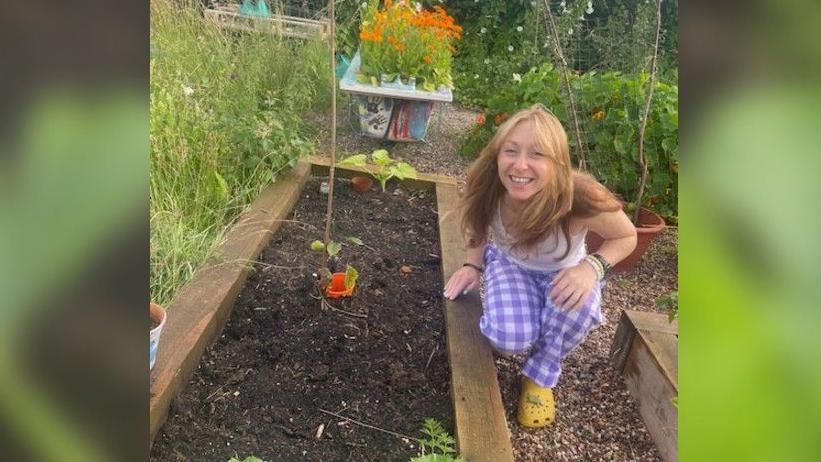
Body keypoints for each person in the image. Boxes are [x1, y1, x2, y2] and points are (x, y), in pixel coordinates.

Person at [443, 104, 637, 428]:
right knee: (507, 338)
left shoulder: (582, 196)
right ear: (497, 154)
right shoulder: (489, 182)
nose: (520, 166)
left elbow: (627, 236)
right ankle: (532, 326)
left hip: (564, 272)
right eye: (511, 151)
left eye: (537, 154)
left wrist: (591, 268)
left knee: (580, 306)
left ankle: (541, 375)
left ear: (558, 162)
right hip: (511, 265)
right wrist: (471, 265)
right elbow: (475, 223)